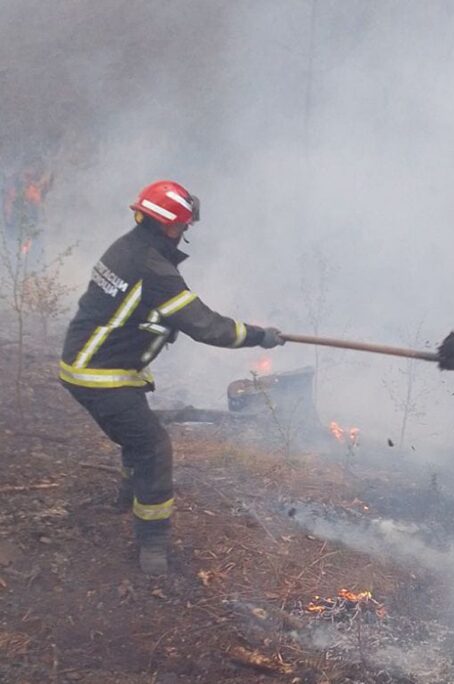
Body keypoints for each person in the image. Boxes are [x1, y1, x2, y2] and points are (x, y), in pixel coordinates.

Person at [59, 180, 285, 575]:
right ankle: (153, 547)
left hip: (86, 364)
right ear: (169, 226)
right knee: (155, 448)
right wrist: (258, 336)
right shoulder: (154, 269)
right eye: (183, 225)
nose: (185, 231)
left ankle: (125, 497)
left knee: (137, 434)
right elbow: (207, 326)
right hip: (101, 375)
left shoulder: (126, 247)